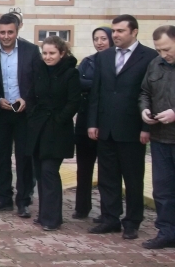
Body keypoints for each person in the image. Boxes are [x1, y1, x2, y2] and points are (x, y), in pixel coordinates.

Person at [88, 15, 158, 239]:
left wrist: (147, 127)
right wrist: (92, 123)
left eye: (120, 31)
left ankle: (132, 221)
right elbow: (96, 93)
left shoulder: (149, 57)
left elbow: (150, 94)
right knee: (107, 177)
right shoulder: (105, 56)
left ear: (134, 32)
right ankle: (110, 218)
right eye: (114, 31)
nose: (115, 35)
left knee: (133, 177)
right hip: (106, 127)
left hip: (133, 128)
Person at [0, 13, 41, 218]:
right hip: (0, 110)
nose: (6, 36)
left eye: (10, 32)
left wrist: (27, 98)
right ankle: (4, 198)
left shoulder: (31, 51)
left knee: (24, 158)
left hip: (23, 112)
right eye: (2, 32)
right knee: (0, 157)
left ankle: (23, 201)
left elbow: (37, 81)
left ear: (17, 31)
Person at [26, 36, 80, 231]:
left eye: (52, 53)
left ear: (62, 53)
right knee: (40, 172)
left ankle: (52, 218)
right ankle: (43, 214)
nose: (47, 57)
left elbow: (74, 102)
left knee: (49, 172)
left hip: (57, 130)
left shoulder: (71, 73)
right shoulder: (39, 70)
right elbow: (31, 95)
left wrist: (59, 119)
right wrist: (32, 114)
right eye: (45, 53)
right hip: (38, 128)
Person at [139, 25, 175, 249]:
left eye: (167, 49)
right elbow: (144, 92)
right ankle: (166, 232)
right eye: (159, 50)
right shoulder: (155, 64)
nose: (163, 54)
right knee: (162, 189)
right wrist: (144, 111)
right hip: (161, 138)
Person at [72, 27, 114, 219]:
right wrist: (96, 83)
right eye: (96, 39)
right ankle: (82, 207)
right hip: (84, 120)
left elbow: (112, 86)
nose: (99, 42)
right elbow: (77, 82)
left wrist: (91, 83)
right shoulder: (88, 62)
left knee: (107, 171)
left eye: (103, 38)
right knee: (84, 168)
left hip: (106, 121)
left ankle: (108, 211)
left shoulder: (116, 61)